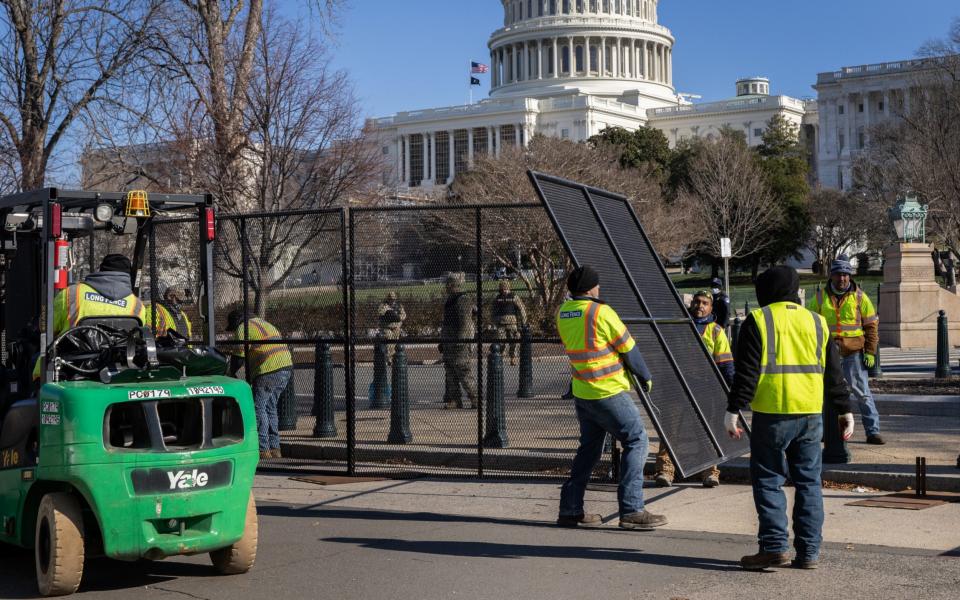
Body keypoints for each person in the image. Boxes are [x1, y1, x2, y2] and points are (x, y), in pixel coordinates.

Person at [726, 265, 853, 570]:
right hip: (810, 414)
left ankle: (773, 547)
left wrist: (734, 409)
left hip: (772, 414)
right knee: (809, 483)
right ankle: (808, 552)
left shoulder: (757, 320)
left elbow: (747, 372)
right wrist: (844, 409)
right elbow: (834, 373)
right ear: (795, 290)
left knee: (769, 480)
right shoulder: (818, 322)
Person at [556, 265, 667, 531]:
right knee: (637, 439)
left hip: (583, 392)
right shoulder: (600, 312)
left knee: (589, 450)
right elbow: (628, 347)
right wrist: (645, 375)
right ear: (592, 287)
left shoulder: (563, 312)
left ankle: (570, 510)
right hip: (607, 391)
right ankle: (631, 509)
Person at [655, 290, 734, 488]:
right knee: (669, 432)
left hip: (704, 389)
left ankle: (710, 472)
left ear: (711, 307)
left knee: (707, 431)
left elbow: (725, 365)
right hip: (676, 387)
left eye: (705, 303)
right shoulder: (680, 327)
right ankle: (666, 471)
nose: (700, 306)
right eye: (697, 302)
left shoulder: (716, 331)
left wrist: (732, 390)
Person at [807, 254, 884, 445]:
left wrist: (870, 352)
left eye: (846, 274)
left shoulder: (860, 297)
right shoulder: (818, 298)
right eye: (839, 274)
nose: (842, 278)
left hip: (853, 353)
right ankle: (826, 431)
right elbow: (809, 326)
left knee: (862, 392)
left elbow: (871, 326)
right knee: (824, 394)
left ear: (850, 276)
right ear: (831, 276)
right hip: (828, 354)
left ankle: (873, 431)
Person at [37, 254, 148, 381]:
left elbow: (44, 326)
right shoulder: (137, 305)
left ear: (101, 271)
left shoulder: (71, 294)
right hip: (118, 372)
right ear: (129, 276)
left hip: (70, 371)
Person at [227, 310, 293, 460]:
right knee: (270, 408)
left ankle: (263, 450)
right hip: (286, 367)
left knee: (259, 407)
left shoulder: (242, 328)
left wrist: (229, 373)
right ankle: (275, 448)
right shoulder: (264, 323)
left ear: (236, 322)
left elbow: (238, 358)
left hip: (268, 370)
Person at [440, 273, 477, 409]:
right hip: (449, 341)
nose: (446, 287)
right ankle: (455, 399)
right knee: (450, 372)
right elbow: (446, 323)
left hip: (459, 342)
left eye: (448, 285)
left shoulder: (463, 299)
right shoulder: (450, 300)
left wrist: (461, 340)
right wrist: (443, 341)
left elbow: (465, 322)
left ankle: (475, 398)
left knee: (463, 371)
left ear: (452, 285)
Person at [491, 280, 527, 365]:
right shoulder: (497, 298)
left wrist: (523, 322)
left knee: (514, 341)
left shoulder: (514, 297)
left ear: (508, 288)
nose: (504, 290)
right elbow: (493, 311)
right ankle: (500, 358)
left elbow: (521, 309)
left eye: (505, 288)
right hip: (500, 323)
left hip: (512, 323)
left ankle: (513, 358)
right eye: (502, 289)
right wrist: (493, 322)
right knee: (500, 341)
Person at [377, 291, 406, 362]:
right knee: (389, 338)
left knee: (395, 340)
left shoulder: (399, 306)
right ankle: (390, 358)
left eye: (393, 299)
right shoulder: (384, 305)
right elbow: (380, 312)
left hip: (396, 327)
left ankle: (394, 357)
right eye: (390, 299)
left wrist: (398, 317)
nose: (392, 300)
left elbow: (404, 315)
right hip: (387, 327)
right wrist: (389, 313)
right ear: (388, 299)